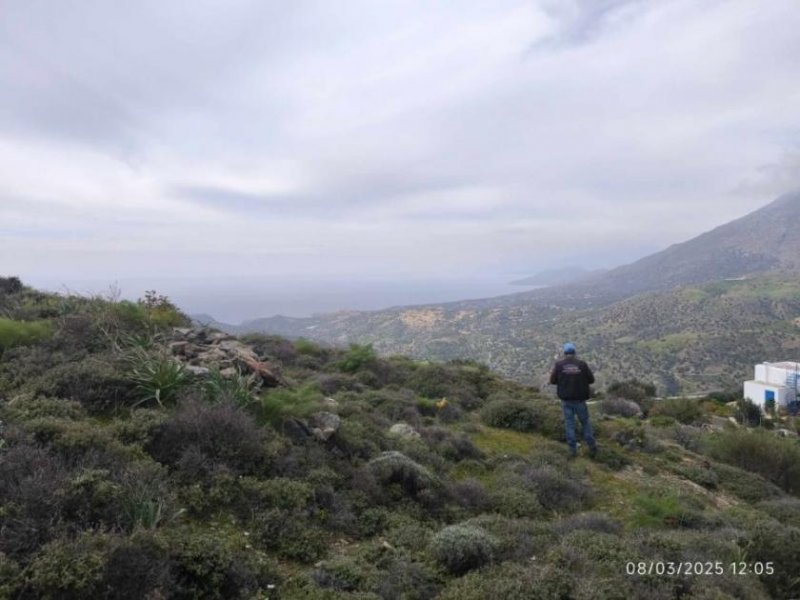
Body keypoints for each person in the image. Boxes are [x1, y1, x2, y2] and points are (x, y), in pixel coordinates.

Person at [549, 342, 597, 459]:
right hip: (580, 400)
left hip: (566, 401)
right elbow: (591, 380)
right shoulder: (582, 365)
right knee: (585, 423)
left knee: (569, 425)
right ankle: (592, 447)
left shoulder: (559, 365)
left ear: (565, 353)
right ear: (574, 353)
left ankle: (572, 450)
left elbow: (552, 381)